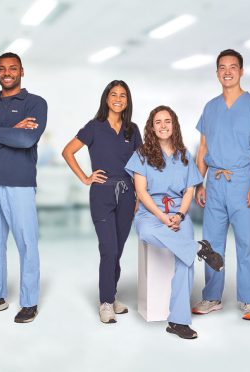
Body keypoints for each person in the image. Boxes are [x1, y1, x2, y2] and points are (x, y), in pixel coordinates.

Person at [125, 106, 224, 339]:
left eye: (167, 121)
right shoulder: (141, 154)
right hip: (151, 213)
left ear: (174, 125)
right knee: (147, 233)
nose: (162, 126)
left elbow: (189, 190)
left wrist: (179, 215)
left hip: (179, 211)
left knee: (185, 260)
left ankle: (178, 322)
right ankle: (200, 248)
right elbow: (141, 192)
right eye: (157, 122)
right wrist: (162, 217)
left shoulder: (184, 155)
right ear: (151, 126)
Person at [192, 49, 250, 321]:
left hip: (242, 181)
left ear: (241, 71)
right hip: (214, 182)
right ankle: (212, 297)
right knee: (211, 244)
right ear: (217, 73)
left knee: (246, 243)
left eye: (233, 67)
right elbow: (203, 148)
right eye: (222, 67)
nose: (227, 71)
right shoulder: (210, 108)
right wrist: (198, 183)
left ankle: (249, 301)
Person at [0, 52, 47, 323]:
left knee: (27, 243)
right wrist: (11, 130)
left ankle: (29, 301)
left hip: (20, 183)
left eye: (12, 68)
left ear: (22, 71)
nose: (7, 72)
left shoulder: (35, 104)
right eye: (2, 68)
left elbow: (27, 140)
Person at [62, 80, 142, 323]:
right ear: (106, 98)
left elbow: (140, 165)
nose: (118, 98)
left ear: (127, 101)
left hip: (128, 194)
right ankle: (105, 303)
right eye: (114, 94)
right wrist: (86, 177)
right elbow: (67, 151)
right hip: (102, 194)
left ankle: (111, 294)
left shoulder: (133, 129)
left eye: (123, 95)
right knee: (108, 249)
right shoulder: (94, 127)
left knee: (117, 251)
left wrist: (138, 195)